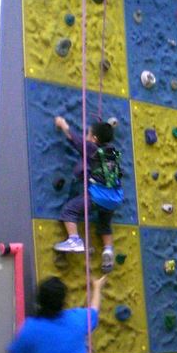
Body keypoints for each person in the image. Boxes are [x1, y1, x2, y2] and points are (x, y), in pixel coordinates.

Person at [52, 117, 124, 273]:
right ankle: (108, 250)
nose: (86, 136)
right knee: (104, 224)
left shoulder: (93, 149)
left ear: (94, 139)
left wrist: (63, 125)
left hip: (98, 197)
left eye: (88, 134)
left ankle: (74, 240)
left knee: (69, 210)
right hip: (115, 199)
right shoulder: (112, 153)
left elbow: (76, 141)